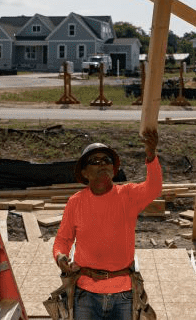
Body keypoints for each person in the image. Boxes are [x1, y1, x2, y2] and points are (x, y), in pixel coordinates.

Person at [52, 129, 161, 320]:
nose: (102, 163)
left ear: (113, 169)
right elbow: (63, 239)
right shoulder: (75, 202)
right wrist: (60, 255)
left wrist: (151, 155)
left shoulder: (128, 196)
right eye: (94, 161)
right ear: (84, 173)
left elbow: (154, 187)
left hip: (123, 294)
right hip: (85, 293)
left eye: (106, 160)